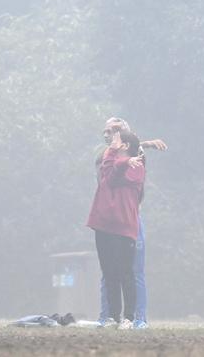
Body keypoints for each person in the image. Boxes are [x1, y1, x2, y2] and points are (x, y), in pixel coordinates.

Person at [95, 117, 165, 328]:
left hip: (130, 218)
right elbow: (110, 173)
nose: (108, 135)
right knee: (109, 271)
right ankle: (107, 315)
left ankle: (137, 317)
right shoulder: (103, 156)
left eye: (114, 131)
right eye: (106, 131)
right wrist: (145, 144)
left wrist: (142, 145)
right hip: (109, 220)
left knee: (134, 270)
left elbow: (132, 161)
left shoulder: (136, 157)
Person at [87, 128, 145, 330]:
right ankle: (113, 316)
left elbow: (116, 177)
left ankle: (129, 317)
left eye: (115, 140)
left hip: (124, 227)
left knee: (126, 272)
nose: (111, 142)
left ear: (126, 145)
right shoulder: (110, 163)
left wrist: (123, 162)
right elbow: (109, 176)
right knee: (109, 272)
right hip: (103, 225)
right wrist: (116, 157)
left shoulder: (137, 166)